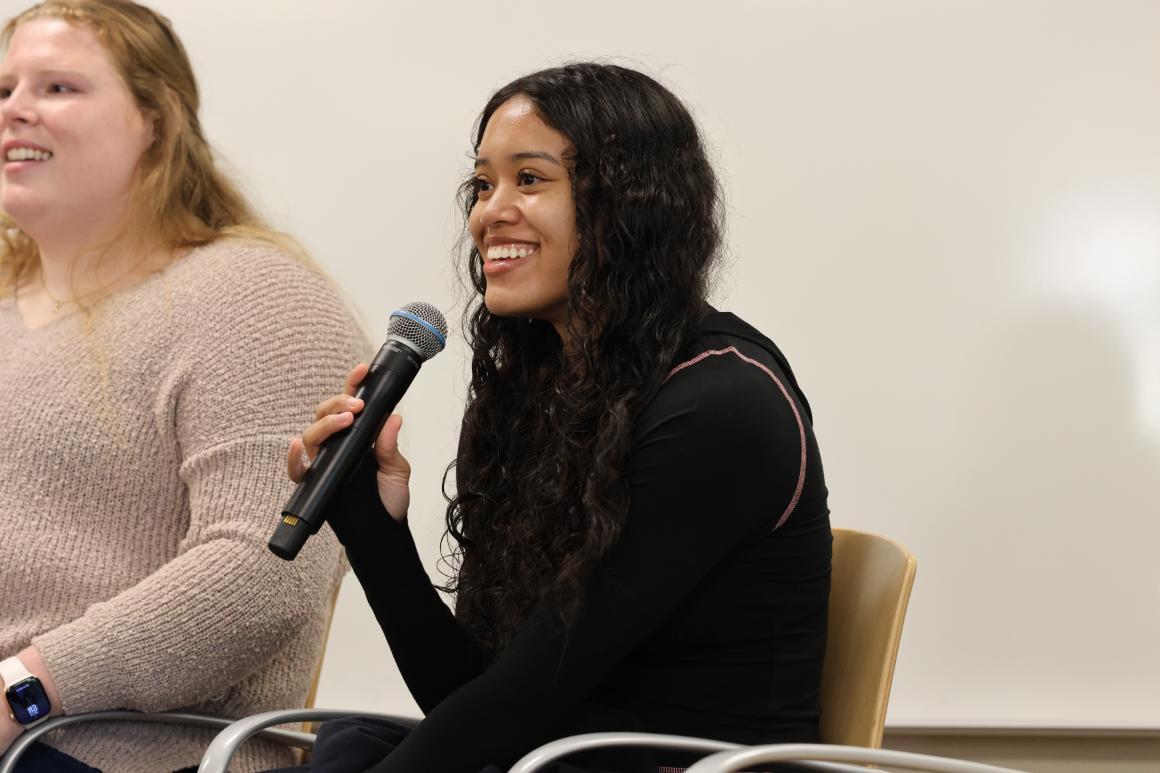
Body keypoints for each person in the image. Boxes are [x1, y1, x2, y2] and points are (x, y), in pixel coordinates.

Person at [288, 63, 831, 773]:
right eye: (483, 184)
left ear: (629, 204)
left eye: (531, 179)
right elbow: (471, 696)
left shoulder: (720, 405)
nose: (489, 212)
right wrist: (368, 519)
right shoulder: (536, 399)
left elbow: (518, 704)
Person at [0, 1, 366, 771]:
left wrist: (19, 691)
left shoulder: (252, 295)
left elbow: (266, 567)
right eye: (3, 89)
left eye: (58, 87)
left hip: (101, 748)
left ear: (156, 121)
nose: (16, 109)